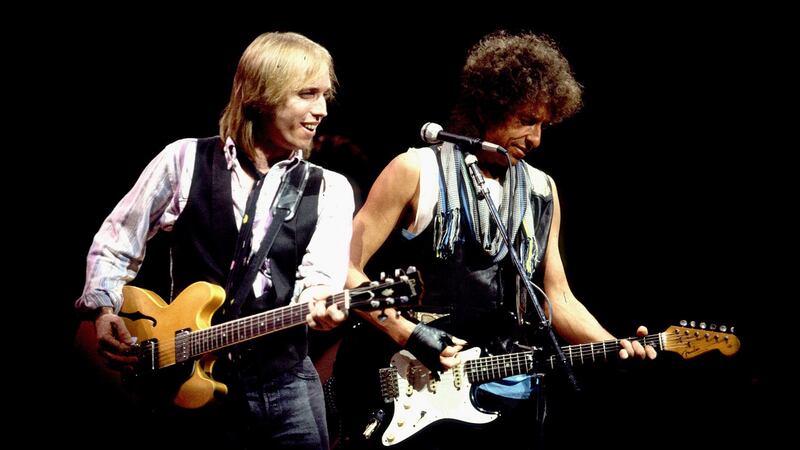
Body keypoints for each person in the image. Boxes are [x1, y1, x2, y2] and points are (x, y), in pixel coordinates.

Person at [339, 30, 657, 449]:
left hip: (505, 393)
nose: (537, 139)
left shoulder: (543, 190)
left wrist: (612, 345)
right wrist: (408, 334)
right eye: (526, 120)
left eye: (544, 124)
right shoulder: (415, 170)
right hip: (408, 388)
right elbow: (341, 268)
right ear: (487, 107)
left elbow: (556, 299)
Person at [75, 31, 353, 450]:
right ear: (262, 93)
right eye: (307, 94)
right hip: (184, 381)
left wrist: (321, 303)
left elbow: (319, 279)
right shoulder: (184, 159)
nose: (322, 110)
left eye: (325, 96)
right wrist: (102, 309)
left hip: (284, 385)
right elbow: (117, 241)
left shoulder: (328, 188)